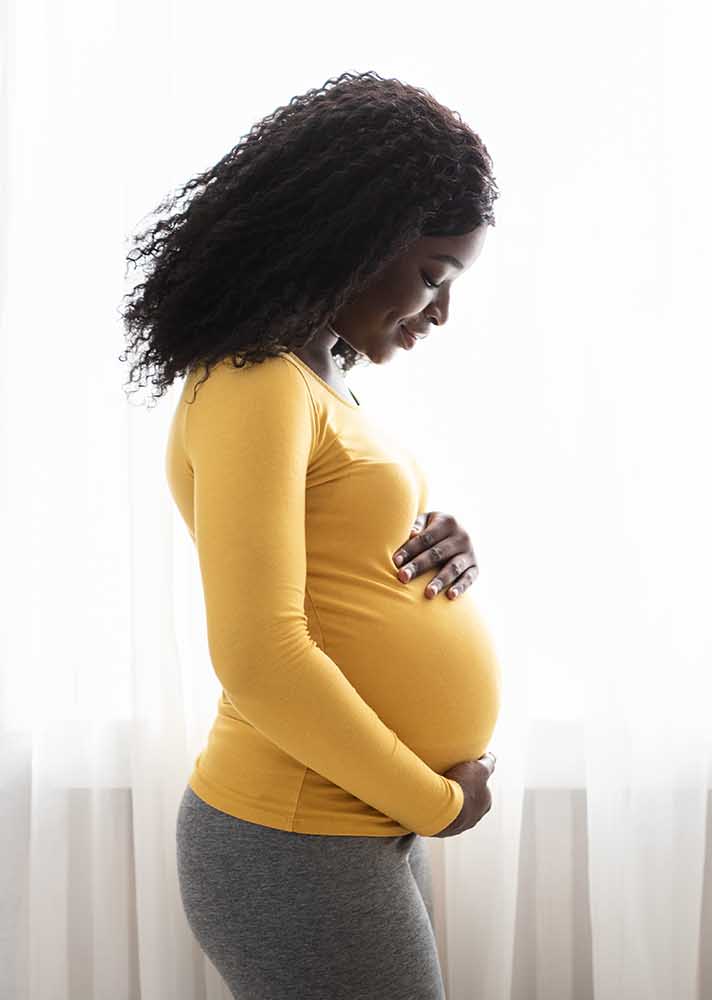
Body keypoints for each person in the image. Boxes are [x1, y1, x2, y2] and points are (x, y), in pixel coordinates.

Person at [119, 71, 500, 998]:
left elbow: (334, 557)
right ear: (352, 242)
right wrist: (437, 801)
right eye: (431, 277)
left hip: (348, 821)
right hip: (298, 831)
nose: (439, 313)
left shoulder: (312, 376)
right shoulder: (253, 382)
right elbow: (260, 656)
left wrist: (439, 544)